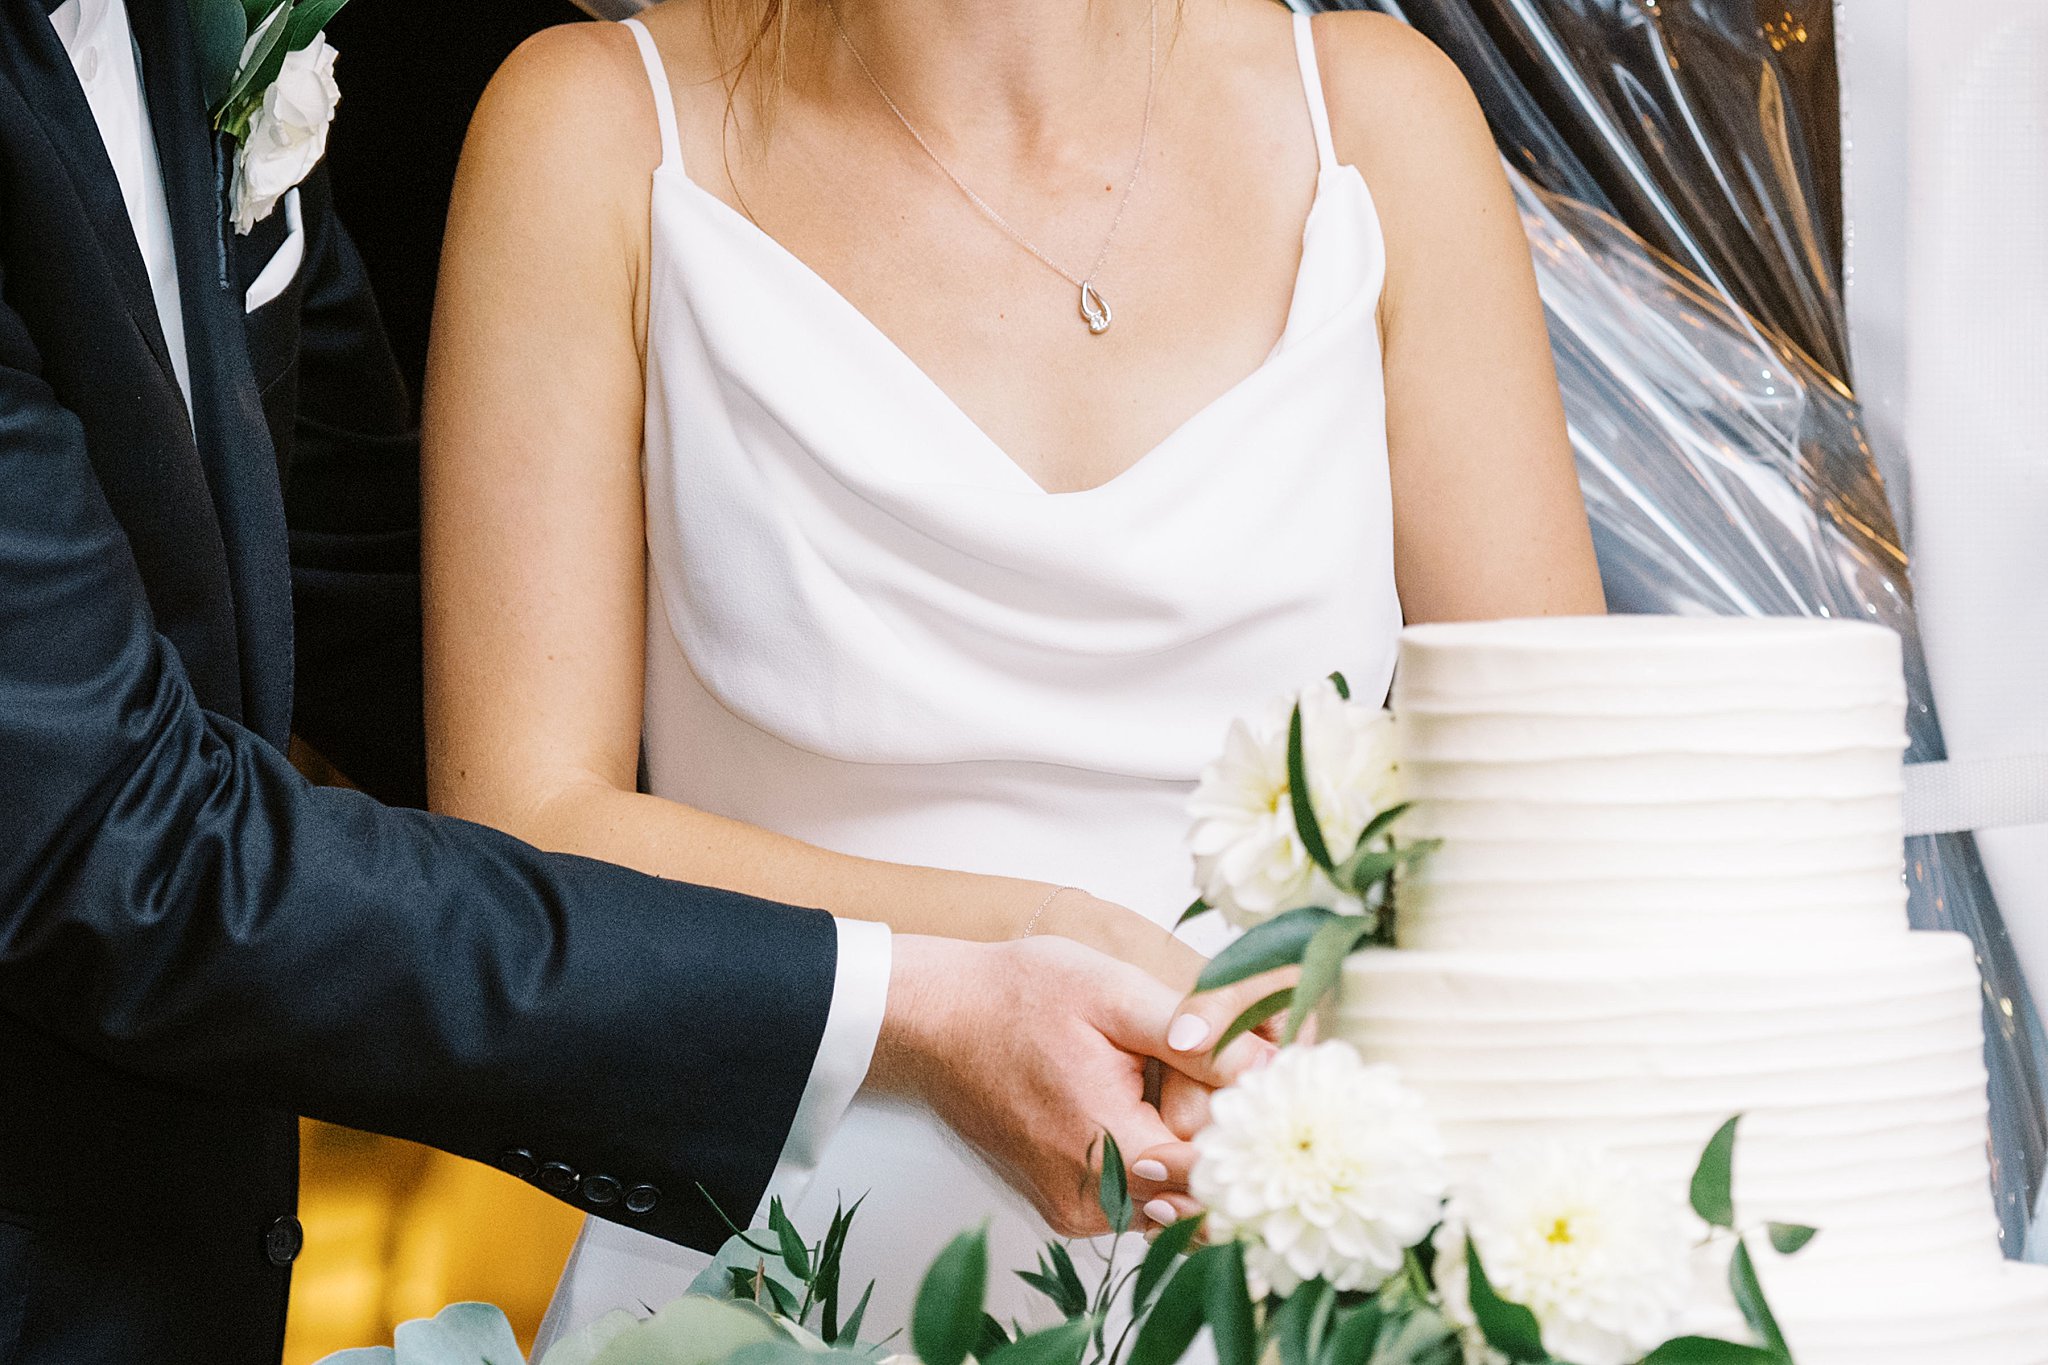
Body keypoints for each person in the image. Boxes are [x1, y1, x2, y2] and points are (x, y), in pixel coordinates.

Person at [0, 2, 1247, 1361]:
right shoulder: (577, 133)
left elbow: (369, 588)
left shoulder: (194, 24)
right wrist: (922, 989)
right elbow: (123, 844)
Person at [421, 0, 1606, 1340]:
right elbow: (518, 832)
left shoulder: (1383, 120)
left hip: (1302, 1268)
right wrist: (985, 962)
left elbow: (1564, 803)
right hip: (784, 1296)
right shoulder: (591, 129)